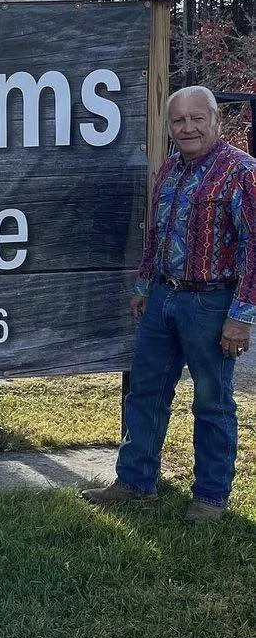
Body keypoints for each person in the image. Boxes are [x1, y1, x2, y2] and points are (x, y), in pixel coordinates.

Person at [82, 85, 255, 524]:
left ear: (216, 121)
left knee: (212, 402)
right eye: (179, 120)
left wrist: (241, 317)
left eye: (197, 118)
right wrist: (143, 285)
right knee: (145, 392)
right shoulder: (169, 170)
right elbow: (155, 235)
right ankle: (135, 482)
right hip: (163, 295)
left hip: (212, 303)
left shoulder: (242, 172)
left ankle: (211, 498)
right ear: (169, 126)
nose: (188, 127)